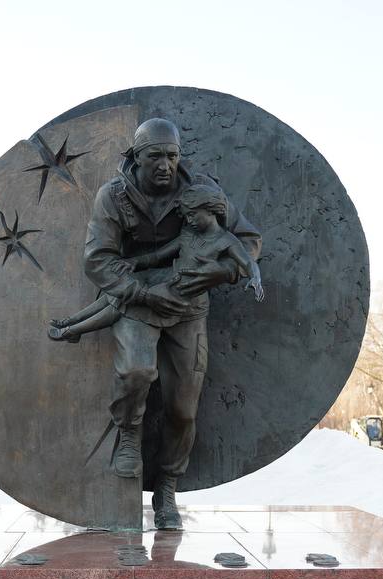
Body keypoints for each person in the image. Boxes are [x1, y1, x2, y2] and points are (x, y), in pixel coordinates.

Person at [83, 117, 262, 529]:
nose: (164, 165)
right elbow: (97, 258)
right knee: (135, 370)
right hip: (137, 300)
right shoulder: (113, 197)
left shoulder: (202, 190)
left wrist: (222, 273)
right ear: (136, 156)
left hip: (188, 307)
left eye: (171, 155)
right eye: (154, 156)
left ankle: (167, 488)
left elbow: (248, 241)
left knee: (183, 407)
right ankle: (128, 434)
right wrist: (142, 292)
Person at [51, 184, 262, 343]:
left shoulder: (226, 241)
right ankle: (70, 320)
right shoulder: (189, 233)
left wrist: (255, 279)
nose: (188, 221)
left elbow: (247, 261)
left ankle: (72, 331)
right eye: (186, 216)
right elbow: (160, 254)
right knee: (118, 290)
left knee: (123, 306)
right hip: (165, 275)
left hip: (177, 290)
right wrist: (133, 262)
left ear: (210, 210)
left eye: (192, 215)